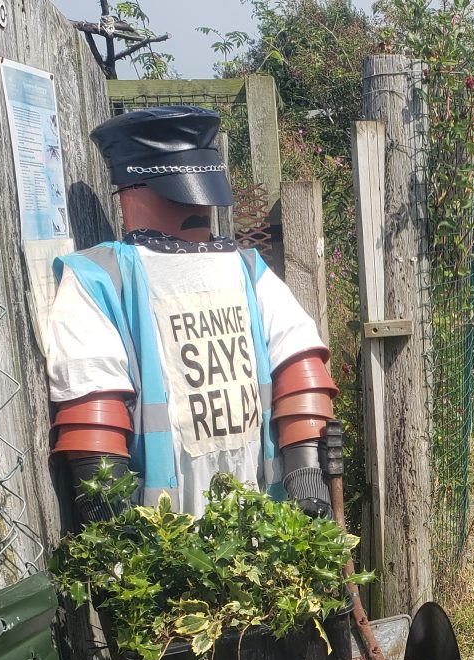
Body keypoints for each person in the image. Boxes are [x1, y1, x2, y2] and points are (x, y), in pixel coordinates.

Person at [46, 105, 339, 522]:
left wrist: (111, 532)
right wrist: (309, 485)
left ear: (128, 192)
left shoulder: (103, 278)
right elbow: (300, 366)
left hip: (239, 533)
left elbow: (93, 413)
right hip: (188, 543)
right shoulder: (107, 278)